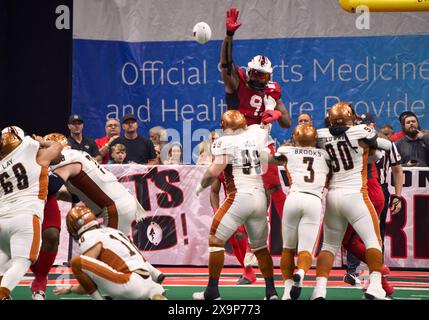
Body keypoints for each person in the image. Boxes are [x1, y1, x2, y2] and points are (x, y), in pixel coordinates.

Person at [43, 133, 165, 285]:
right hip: (121, 200)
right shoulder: (76, 155)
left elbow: (50, 187)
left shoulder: (65, 161)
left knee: (112, 249)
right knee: (123, 244)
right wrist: (60, 194)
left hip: (113, 206)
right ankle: (153, 273)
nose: (45, 154)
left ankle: (138, 285)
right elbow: (77, 195)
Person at [193, 110, 278, 300]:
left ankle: (212, 292)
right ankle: (271, 292)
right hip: (259, 197)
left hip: (240, 195)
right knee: (260, 247)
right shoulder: (256, 133)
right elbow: (265, 128)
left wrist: (200, 186)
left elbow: (214, 172)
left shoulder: (225, 141)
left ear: (224, 127)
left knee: (215, 240)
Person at [311, 102, 391, 300]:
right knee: (373, 240)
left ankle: (319, 291)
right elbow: (386, 145)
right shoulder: (360, 131)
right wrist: (370, 144)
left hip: (332, 197)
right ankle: (375, 286)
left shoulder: (319, 135)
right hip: (355, 194)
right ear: (351, 118)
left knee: (329, 246)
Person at [220, 7, 291, 221]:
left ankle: (280, 230)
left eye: (262, 76)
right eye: (254, 74)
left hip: (260, 141)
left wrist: (276, 114)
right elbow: (226, 63)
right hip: (237, 141)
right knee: (238, 192)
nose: (258, 79)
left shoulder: (272, 89)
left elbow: (287, 122)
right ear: (248, 71)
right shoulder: (237, 81)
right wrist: (229, 35)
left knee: (266, 187)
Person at [0, 126, 62, 300]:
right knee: (23, 260)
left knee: (3, 259)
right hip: (25, 216)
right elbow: (57, 147)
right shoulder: (33, 154)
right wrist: (42, 142)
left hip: (2, 220)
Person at [53, 206, 166, 300]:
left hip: (129, 284)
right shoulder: (114, 231)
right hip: (148, 281)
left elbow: (88, 283)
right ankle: (154, 282)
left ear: (74, 229)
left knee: (77, 262)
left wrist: (70, 289)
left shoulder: (86, 238)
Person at [274, 125, 330, 300]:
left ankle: (286, 292)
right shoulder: (326, 155)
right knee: (306, 249)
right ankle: (302, 272)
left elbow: (278, 155)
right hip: (313, 199)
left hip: (294, 197)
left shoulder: (287, 150)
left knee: (288, 248)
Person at [210, 174, 256, 285]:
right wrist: (216, 212)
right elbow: (214, 191)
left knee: (240, 234)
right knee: (232, 235)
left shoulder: (246, 162)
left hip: (252, 202)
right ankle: (247, 270)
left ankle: (250, 270)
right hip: (232, 204)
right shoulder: (221, 165)